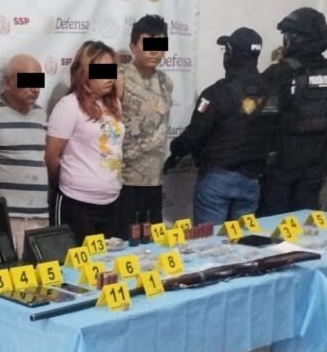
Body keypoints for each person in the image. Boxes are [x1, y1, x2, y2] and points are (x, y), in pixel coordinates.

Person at [166, 28, 279, 225]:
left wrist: (175, 150)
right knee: (243, 239)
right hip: (252, 179)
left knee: (210, 240)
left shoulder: (216, 93)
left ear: (230, 54)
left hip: (217, 179)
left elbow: (196, 134)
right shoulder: (272, 91)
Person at [261, 8, 327, 215]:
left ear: (293, 38)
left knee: (274, 218)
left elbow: (265, 116)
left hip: (282, 157)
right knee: (307, 214)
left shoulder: (279, 72)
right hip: (317, 155)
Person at [46, 41, 126, 240]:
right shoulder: (69, 105)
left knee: (108, 259)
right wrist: (72, 179)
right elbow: (52, 157)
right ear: (84, 72)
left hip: (112, 200)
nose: (110, 76)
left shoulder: (114, 103)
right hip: (76, 202)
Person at [0, 54, 48, 254]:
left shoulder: (41, 113)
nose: (35, 89)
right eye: (28, 81)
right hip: (7, 216)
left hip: (40, 216)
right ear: (7, 82)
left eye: (38, 82)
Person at [119, 15, 173, 226]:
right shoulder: (117, 75)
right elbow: (84, 75)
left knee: (153, 239)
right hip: (124, 179)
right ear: (132, 47)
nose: (154, 52)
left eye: (159, 45)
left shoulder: (166, 81)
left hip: (155, 179)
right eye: (148, 45)